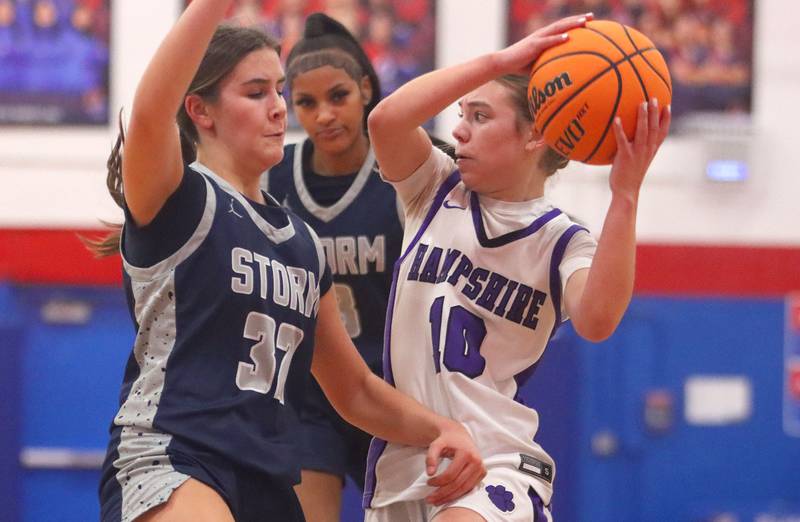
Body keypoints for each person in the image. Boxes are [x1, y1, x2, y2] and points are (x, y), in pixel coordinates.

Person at [92, 1, 484, 521]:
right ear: (200, 110)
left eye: (278, 91)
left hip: (269, 476)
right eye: (256, 93)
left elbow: (356, 390)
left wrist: (441, 428)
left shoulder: (302, 242)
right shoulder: (179, 198)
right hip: (174, 454)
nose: (280, 108)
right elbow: (148, 112)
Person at [364, 12, 671, 522]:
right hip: (406, 461)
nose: (458, 130)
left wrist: (626, 195)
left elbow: (597, 320)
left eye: (480, 116)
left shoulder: (561, 241)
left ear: (537, 136)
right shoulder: (434, 189)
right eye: (462, 113)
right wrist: (497, 60)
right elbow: (385, 121)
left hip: (495, 461)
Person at [262, 12, 402, 521]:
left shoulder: (406, 171)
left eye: (337, 97)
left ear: (366, 89)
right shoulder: (270, 177)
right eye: (306, 102)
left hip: (393, 392)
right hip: (309, 394)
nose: (323, 114)